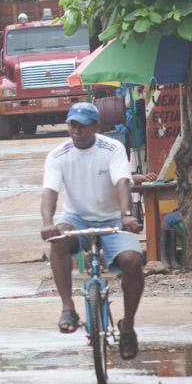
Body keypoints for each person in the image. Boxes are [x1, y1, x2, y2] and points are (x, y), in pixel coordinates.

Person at [40, 102, 145, 360]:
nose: (77, 131)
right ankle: (68, 308)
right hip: (76, 219)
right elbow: (50, 192)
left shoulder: (112, 149)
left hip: (112, 220)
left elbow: (122, 181)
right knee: (58, 238)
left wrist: (126, 215)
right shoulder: (58, 155)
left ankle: (128, 326)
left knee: (133, 261)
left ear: (96, 127)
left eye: (83, 126)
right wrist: (47, 221)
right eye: (72, 125)